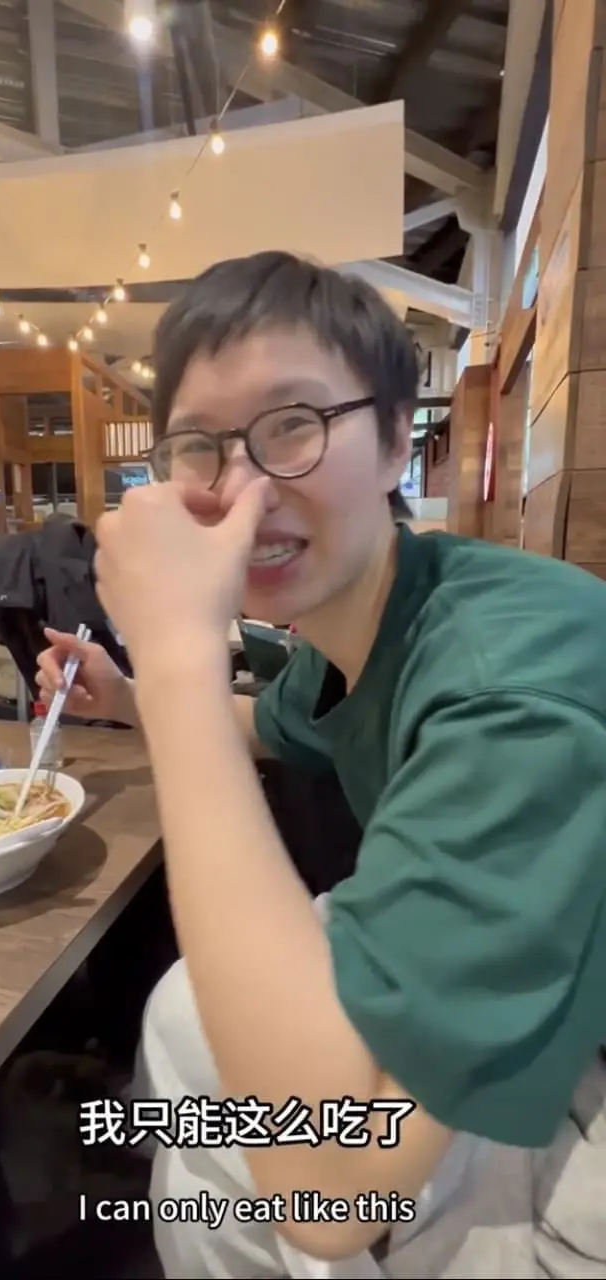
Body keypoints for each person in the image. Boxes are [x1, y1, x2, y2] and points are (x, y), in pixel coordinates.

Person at [37, 251, 606, 1279]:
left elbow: (338, 1182)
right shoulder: (353, 630)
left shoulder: (510, 673)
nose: (244, 486)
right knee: (184, 1017)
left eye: (293, 423)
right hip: (510, 993)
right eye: (199, 446)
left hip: (581, 1074)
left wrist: (175, 663)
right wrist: (130, 697)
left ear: (397, 438)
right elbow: (280, 723)